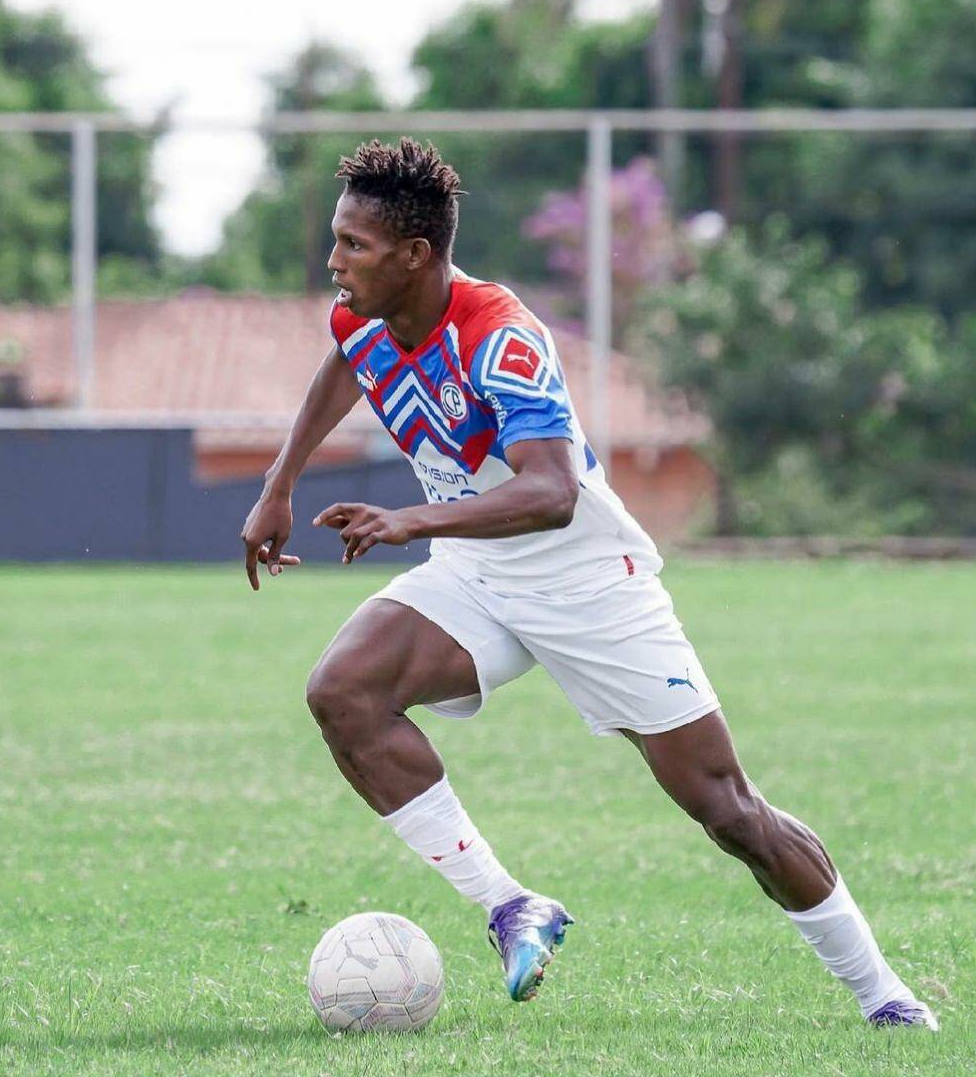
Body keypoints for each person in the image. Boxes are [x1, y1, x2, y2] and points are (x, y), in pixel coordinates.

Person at [241, 138, 936, 1028]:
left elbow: (551, 494)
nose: (333, 262)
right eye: (336, 239)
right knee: (343, 693)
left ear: (415, 256)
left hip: (585, 583)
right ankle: (509, 906)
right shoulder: (362, 315)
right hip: (477, 571)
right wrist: (279, 484)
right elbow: (343, 365)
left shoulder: (500, 338)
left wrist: (410, 521)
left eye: (354, 246)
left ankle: (886, 997)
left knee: (726, 811)